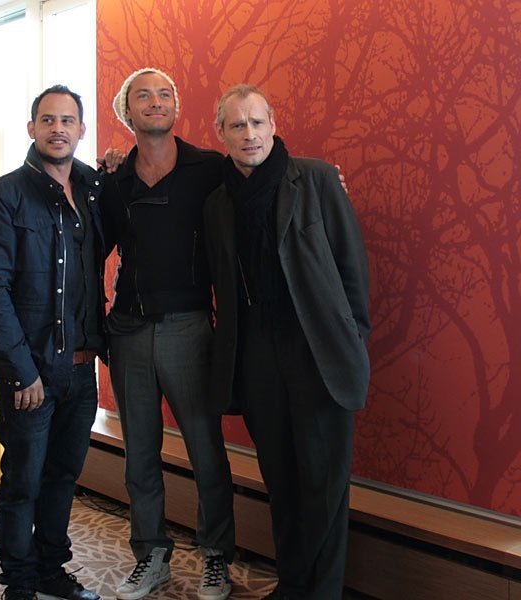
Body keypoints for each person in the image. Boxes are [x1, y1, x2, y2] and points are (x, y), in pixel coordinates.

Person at [204, 84, 371, 600]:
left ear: (273, 125)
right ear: (221, 134)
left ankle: (321, 592)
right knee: (280, 478)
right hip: (256, 356)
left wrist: (352, 340)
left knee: (324, 483)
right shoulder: (217, 202)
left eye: (257, 122)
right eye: (237, 125)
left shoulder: (316, 179)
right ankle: (293, 584)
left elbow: (352, 266)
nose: (249, 134)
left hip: (318, 352)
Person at [102, 68, 235, 600]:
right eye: (143, 96)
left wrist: (318, 180)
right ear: (126, 111)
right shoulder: (113, 180)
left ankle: (216, 558)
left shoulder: (210, 169)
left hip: (189, 327)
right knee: (139, 454)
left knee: (206, 452)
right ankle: (151, 555)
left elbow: (260, 184)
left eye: (164, 94)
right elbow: (93, 246)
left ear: (175, 107)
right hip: (128, 330)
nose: (155, 102)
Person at [0, 85, 105, 600]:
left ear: (81, 130)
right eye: (47, 120)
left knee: (62, 477)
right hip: (30, 372)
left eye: (67, 120)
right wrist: (21, 371)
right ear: (31, 128)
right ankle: (20, 583)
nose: (57, 129)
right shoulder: (3, 195)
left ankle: (52, 569)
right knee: (22, 483)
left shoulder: (91, 191)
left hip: (81, 368)